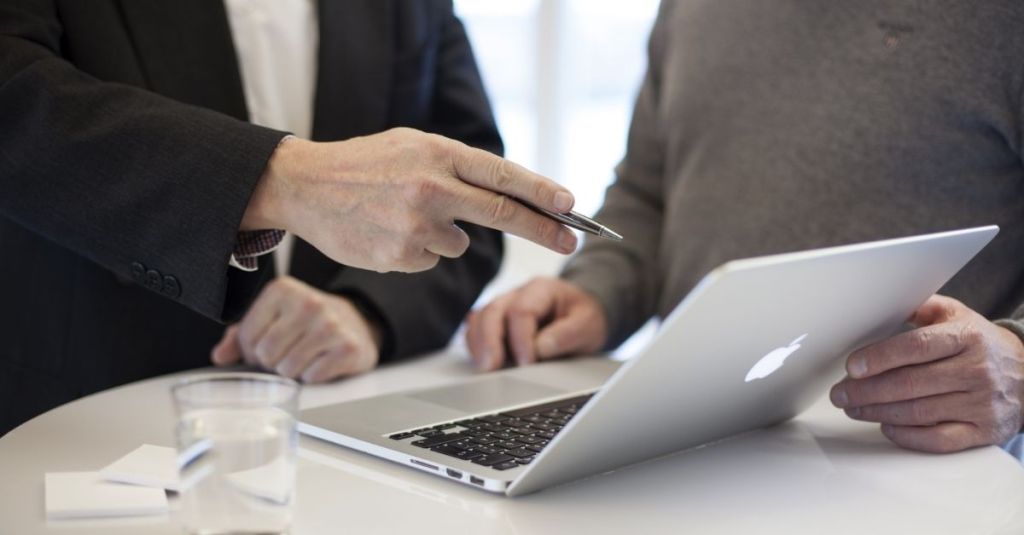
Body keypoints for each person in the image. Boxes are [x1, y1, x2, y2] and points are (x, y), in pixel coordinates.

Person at [466, 0, 1024, 456]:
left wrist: (1017, 360)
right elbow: (647, 193)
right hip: (688, 447)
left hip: (920, 473)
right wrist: (595, 293)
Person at [0, 0, 580, 435]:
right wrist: (279, 178)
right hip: (75, 429)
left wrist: (369, 313)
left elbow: (463, 194)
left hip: (341, 438)